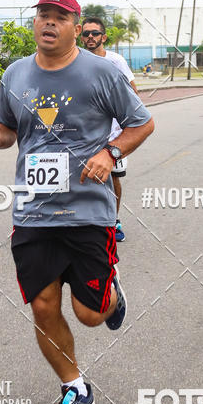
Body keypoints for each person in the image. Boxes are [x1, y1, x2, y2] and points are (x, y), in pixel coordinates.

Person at [0, 0, 154, 404]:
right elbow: (9, 129)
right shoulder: (15, 74)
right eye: (42, 16)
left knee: (90, 314)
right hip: (34, 212)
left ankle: (111, 292)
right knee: (44, 305)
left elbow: (142, 122)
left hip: (88, 210)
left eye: (58, 17)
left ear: (75, 24)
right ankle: (75, 389)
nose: (48, 23)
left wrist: (110, 153)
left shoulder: (102, 73)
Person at [80, 16, 138, 242]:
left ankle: (114, 221)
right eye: (86, 33)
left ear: (103, 37)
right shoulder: (76, 60)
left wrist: (128, 128)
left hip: (114, 135)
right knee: (84, 176)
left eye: (95, 33)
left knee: (113, 178)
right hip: (86, 133)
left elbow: (133, 93)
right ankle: (85, 223)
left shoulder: (116, 61)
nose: (90, 37)